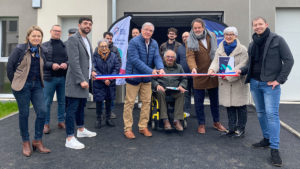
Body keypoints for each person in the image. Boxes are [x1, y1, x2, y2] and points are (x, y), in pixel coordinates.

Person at [236, 17, 294, 167]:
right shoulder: (252, 43)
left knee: (272, 115)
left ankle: (274, 149)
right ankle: (267, 139)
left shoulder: (277, 40)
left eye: (260, 24)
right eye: (255, 25)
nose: (257, 27)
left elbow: (289, 60)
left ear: (266, 25)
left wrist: (279, 80)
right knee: (260, 113)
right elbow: (250, 64)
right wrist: (240, 70)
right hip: (255, 83)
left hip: (270, 85)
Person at [7, 25, 51, 157]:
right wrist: (15, 82)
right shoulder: (20, 49)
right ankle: (25, 142)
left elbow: (44, 65)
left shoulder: (42, 50)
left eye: (39, 36)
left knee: (42, 111)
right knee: (24, 114)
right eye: (34, 36)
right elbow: (10, 66)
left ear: (41, 38)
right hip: (22, 86)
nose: (36, 38)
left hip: (37, 85)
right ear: (28, 37)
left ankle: (37, 141)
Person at [123, 22, 165, 139]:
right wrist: (150, 71)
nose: (148, 32)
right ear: (141, 30)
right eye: (146, 30)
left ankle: (142, 126)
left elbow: (157, 57)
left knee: (146, 102)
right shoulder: (134, 42)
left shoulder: (154, 43)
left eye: (150, 31)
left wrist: (160, 68)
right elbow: (134, 60)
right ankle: (127, 128)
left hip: (146, 78)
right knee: (130, 103)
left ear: (152, 32)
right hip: (133, 77)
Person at [186, 18, 227, 134]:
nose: (197, 30)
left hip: (212, 73)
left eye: (199, 27)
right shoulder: (190, 39)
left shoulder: (212, 35)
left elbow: (219, 52)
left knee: (214, 100)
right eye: (195, 28)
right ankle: (201, 124)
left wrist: (220, 68)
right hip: (198, 74)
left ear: (203, 27)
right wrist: (193, 68)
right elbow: (190, 56)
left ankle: (216, 122)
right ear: (192, 29)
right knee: (199, 102)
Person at [208, 26, 249, 137]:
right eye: (227, 34)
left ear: (235, 36)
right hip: (225, 83)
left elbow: (243, 64)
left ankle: (241, 129)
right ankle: (231, 129)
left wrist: (229, 75)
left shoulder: (243, 50)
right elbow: (216, 62)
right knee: (229, 106)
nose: (229, 36)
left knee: (240, 107)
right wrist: (212, 70)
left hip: (237, 83)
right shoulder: (220, 49)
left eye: (231, 34)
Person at [64, 17, 97, 150]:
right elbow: (74, 62)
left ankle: (81, 130)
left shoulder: (86, 39)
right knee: (71, 110)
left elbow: (89, 60)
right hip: (75, 82)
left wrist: (93, 71)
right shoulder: (73, 39)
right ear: (79, 25)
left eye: (90, 24)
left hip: (85, 81)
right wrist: (81, 80)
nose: (88, 26)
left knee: (81, 107)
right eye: (85, 23)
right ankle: (69, 138)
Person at [152, 49, 187, 131]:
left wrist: (182, 86)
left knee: (181, 93)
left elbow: (184, 79)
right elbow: (152, 79)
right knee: (160, 92)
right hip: (163, 91)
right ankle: (165, 120)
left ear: (175, 58)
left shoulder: (179, 67)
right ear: (164, 58)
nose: (170, 58)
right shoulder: (159, 67)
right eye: (168, 57)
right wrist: (157, 85)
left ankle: (176, 120)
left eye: (172, 57)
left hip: (175, 90)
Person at [42, 25, 68, 134]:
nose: (57, 33)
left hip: (62, 78)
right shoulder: (44, 46)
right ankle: (46, 124)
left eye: (59, 31)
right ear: (50, 31)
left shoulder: (65, 45)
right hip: (49, 78)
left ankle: (61, 121)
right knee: (47, 102)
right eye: (55, 31)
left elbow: (70, 59)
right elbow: (42, 61)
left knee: (62, 101)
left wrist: (66, 64)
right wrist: (51, 65)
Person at [92, 39, 120, 128]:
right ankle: (98, 119)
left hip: (110, 83)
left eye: (105, 46)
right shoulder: (95, 56)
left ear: (108, 47)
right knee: (99, 102)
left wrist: (110, 79)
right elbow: (94, 69)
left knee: (109, 100)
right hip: (99, 83)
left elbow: (116, 68)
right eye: (102, 46)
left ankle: (108, 119)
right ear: (98, 47)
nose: (104, 48)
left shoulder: (113, 55)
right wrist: (104, 80)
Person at [176, 31, 192, 117]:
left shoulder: (195, 47)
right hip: (184, 76)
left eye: (187, 36)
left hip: (195, 76)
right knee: (186, 94)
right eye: (183, 37)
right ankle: (187, 111)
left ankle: (198, 112)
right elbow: (177, 61)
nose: (185, 38)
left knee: (197, 94)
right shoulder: (179, 48)